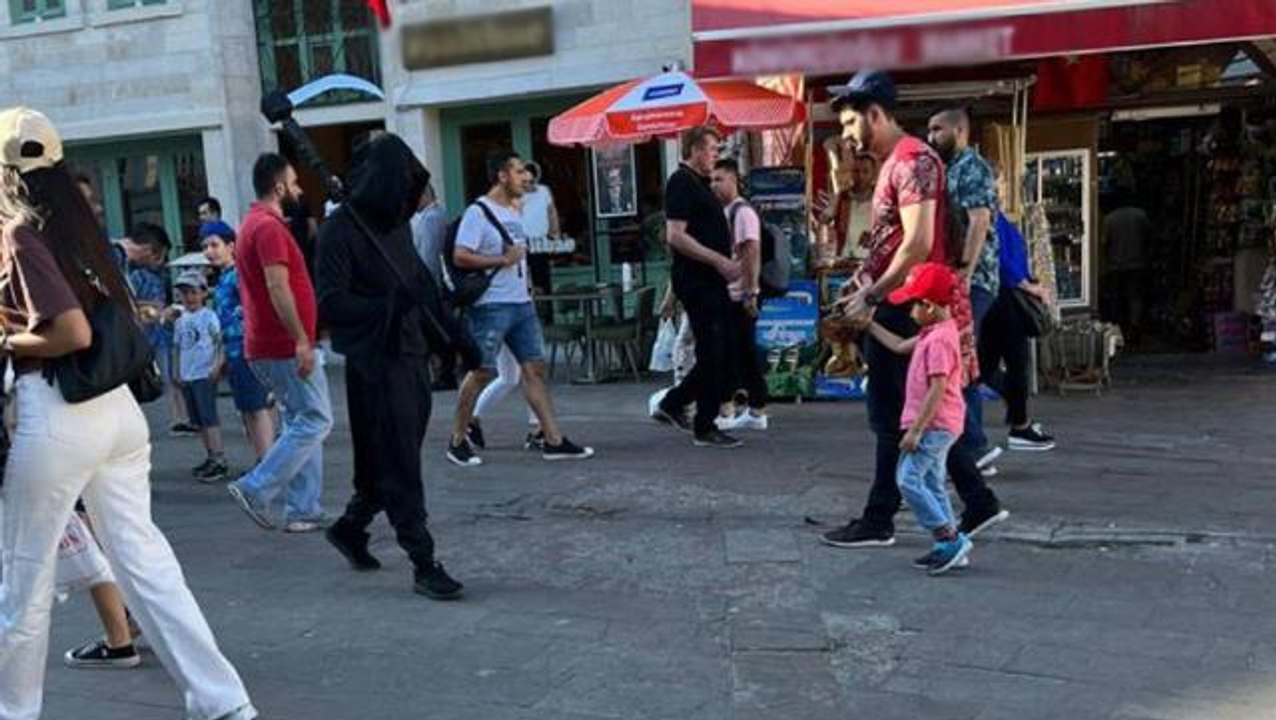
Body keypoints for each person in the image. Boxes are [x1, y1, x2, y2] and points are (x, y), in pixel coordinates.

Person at [0, 105, 256, 720]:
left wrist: (6, 338)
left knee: (24, 583)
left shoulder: (18, 233)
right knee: (148, 564)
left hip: (58, 408)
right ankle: (224, 701)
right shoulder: (78, 228)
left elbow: (71, 331)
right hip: (116, 411)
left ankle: (14, 710)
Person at [817, 70, 1007, 550]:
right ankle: (975, 501)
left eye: (850, 124)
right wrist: (866, 281)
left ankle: (881, 518)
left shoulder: (914, 161)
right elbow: (894, 240)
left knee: (893, 413)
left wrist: (873, 295)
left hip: (907, 303)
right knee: (907, 411)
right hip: (897, 299)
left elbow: (918, 243)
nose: (847, 136)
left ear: (875, 115)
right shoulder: (896, 163)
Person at [316, 132, 467, 600]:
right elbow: (331, 304)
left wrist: (456, 337)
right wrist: (387, 305)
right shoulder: (339, 231)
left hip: (411, 355)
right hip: (374, 362)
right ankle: (423, 560)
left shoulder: (394, 228)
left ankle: (351, 526)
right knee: (399, 460)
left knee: (390, 456)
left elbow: (422, 287)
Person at [445, 150, 594, 466]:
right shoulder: (478, 212)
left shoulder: (514, 211)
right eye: (518, 171)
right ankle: (457, 439)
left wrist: (527, 284)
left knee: (534, 369)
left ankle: (553, 440)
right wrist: (502, 259)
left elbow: (519, 257)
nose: (526, 177)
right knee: (482, 371)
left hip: (521, 304)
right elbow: (461, 255)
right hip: (491, 305)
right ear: (502, 176)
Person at [227, 153, 331, 534]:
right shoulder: (267, 228)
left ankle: (303, 509)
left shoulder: (254, 224)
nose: (300, 190)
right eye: (295, 182)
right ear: (280, 187)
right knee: (316, 419)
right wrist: (301, 339)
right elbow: (277, 286)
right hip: (282, 345)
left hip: (272, 344)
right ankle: (255, 488)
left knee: (300, 420)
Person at [865, 263, 974, 574]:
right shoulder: (936, 331)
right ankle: (948, 546)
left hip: (934, 424)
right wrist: (869, 325)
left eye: (913, 305)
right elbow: (900, 346)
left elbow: (937, 388)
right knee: (931, 481)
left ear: (929, 306)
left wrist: (915, 430)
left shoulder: (938, 341)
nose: (910, 312)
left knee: (907, 479)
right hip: (942, 423)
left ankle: (948, 536)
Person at [651, 127, 744, 448]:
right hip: (698, 279)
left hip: (711, 279)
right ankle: (704, 424)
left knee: (721, 351)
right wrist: (718, 260)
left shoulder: (700, 184)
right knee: (712, 351)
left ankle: (675, 403)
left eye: (717, 150)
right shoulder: (681, 182)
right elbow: (675, 235)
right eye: (711, 149)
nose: (715, 155)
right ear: (693, 150)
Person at [928, 107, 1003, 473]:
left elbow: (979, 220)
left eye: (938, 129)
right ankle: (971, 447)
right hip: (955, 278)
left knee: (953, 359)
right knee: (960, 360)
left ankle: (972, 445)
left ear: (960, 131)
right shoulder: (947, 169)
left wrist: (965, 273)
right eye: (929, 130)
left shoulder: (973, 168)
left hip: (972, 281)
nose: (931, 137)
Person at [981, 203, 1057, 451]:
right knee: (1015, 362)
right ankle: (1020, 425)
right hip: (1006, 296)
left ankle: (1018, 416)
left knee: (989, 363)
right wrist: (1028, 286)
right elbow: (1002, 260)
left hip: (1004, 295)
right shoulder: (989, 216)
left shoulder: (993, 215)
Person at [201, 221, 276, 462]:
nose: (209, 251)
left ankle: (267, 464)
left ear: (231, 246)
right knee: (247, 409)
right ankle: (263, 462)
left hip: (248, 350)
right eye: (205, 247)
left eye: (215, 245)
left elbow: (256, 309)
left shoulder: (239, 275)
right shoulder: (224, 277)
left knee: (256, 408)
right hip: (234, 351)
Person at [710, 158, 769, 432]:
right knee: (739, 353)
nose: (714, 185)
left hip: (739, 294)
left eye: (719, 179)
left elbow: (751, 251)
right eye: (712, 180)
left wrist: (750, 291)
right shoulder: (725, 211)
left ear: (733, 180)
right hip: (730, 292)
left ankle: (732, 409)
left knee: (733, 353)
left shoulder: (742, 212)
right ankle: (753, 409)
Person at [127, 221, 193, 435]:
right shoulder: (137, 276)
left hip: (162, 332)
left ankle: (182, 417)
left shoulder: (160, 276)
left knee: (172, 376)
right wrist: (156, 309)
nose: (162, 261)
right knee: (164, 377)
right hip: (149, 333)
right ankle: (177, 418)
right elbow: (132, 304)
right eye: (161, 256)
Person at [173, 270, 227, 482]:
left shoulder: (208, 316)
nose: (189, 297)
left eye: (193, 292)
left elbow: (219, 341)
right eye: (184, 293)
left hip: (204, 372)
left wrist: (218, 363)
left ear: (204, 293)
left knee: (208, 417)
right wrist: (177, 370)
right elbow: (177, 347)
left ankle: (219, 458)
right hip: (188, 374)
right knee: (198, 420)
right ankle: (210, 455)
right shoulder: (181, 320)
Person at [410, 181, 459, 391]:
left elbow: (429, 256)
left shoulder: (432, 218)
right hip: (431, 284)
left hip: (431, 285)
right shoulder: (432, 216)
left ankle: (444, 372)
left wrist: (422, 284)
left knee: (435, 330)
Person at [1102, 197, 1152, 344]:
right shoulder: (1140, 215)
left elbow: (1105, 242)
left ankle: (1117, 327)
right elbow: (1149, 236)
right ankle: (1134, 327)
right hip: (1136, 263)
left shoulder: (1110, 218)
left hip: (1116, 265)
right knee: (1135, 296)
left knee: (1116, 297)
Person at [816, 153, 877, 260]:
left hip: (873, 258)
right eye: (856, 171)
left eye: (865, 171)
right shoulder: (841, 197)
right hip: (844, 258)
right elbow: (823, 221)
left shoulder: (880, 198)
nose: (860, 176)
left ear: (873, 174)